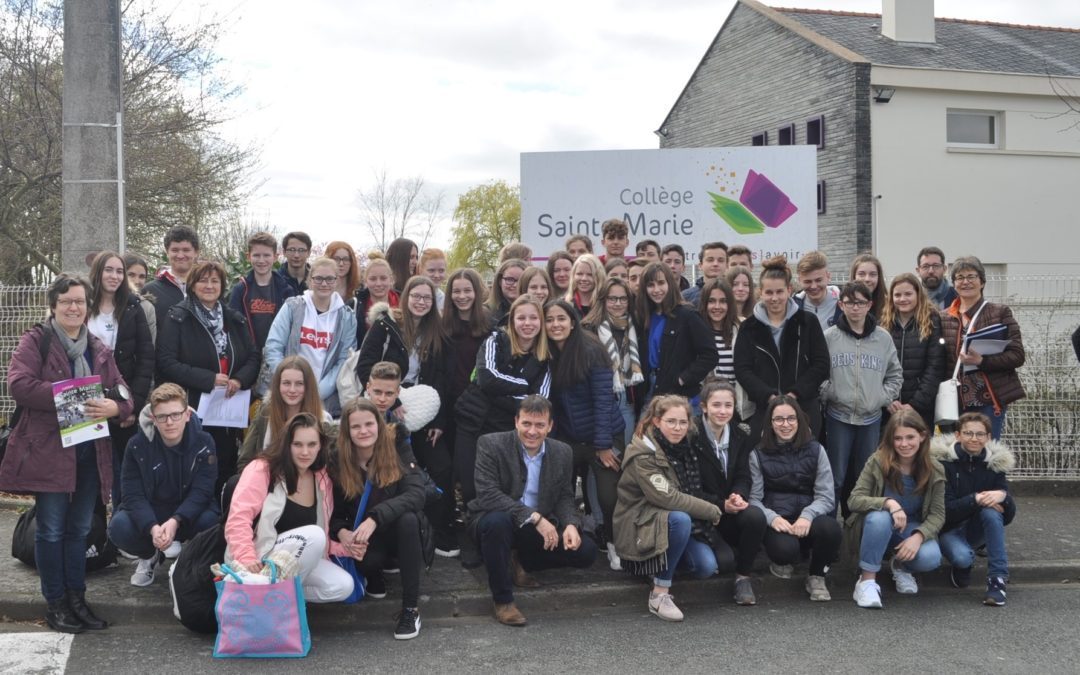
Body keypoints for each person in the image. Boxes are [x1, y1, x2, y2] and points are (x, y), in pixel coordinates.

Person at [0, 274, 133, 633]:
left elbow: (123, 394)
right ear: (54, 306)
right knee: (52, 530)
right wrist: (71, 396)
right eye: (66, 302)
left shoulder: (98, 348)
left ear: (88, 306)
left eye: (79, 301)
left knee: (79, 530)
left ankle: (77, 598)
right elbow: (20, 385)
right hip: (49, 451)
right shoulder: (36, 341)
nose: (73, 308)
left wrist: (114, 407)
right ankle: (55, 602)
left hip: (90, 451)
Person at [468, 396, 597, 626]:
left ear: (550, 426)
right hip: (496, 519)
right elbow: (488, 494)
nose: (532, 431)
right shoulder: (490, 444)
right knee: (497, 523)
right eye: (526, 423)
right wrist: (534, 517)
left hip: (537, 526)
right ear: (516, 421)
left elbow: (565, 496)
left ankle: (522, 561)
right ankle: (503, 601)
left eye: (539, 425)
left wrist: (570, 524)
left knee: (585, 551)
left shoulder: (562, 452)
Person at [355, 275, 456, 557]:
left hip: (424, 408)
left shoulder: (439, 333)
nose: (421, 302)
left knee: (441, 467)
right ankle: (392, 538)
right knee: (394, 469)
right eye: (416, 296)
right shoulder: (385, 325)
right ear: (406, 297)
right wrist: (394, 398)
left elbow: (444, 381)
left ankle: (439, 530)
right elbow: (365, 366)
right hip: (386, 406)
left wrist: (438, 421)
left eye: (427, 298)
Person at [224, 413, 354, 602]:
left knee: (342, 586)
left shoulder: (321, 478)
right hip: (259, 556)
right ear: (287, 445)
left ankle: (274, 597)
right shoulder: (262, 469)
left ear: (321, 446)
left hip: (293, 562)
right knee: (313, 535)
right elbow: (238, 518)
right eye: (297, 444)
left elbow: (320, 537)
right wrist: (246, 557)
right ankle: (266, 594)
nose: (305, 452)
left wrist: (344, 549)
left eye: (312, 445)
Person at [614, 395, 723, 622]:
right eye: (670, 421)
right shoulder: (643, 453)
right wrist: (712, 510)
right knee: (680, 519)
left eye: (683, 422)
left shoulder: (687, 447)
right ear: (656, 421)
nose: (677, 428)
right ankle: (659, 594)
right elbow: (668, 498)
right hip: (640, 524)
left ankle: (657, 567)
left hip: (664, 521)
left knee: (705, 566)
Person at [156, 260, 259, 492]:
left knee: (224, 467)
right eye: (203, 280)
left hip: (228, 411)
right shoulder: (178, 317)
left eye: (215, 281)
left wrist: (239, 380)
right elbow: (166, 362)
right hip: (194, 408)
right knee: (195, 472)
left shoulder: (234, 319)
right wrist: (208, 379)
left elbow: (253, 356)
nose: (209, 286)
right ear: (192, 284)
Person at [331, 397, 428, 638]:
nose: (363, 431)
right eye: (356, 426)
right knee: (367, 563)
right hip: (363, 538)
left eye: (369, 424)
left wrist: (375, 517)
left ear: (379, 424)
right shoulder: (337, 457)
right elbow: (333, 509)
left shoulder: (397, 445)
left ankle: (410, 609)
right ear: (347, 430)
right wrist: (342, 532)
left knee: (408, 519)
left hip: (397, 531)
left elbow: (417, 493)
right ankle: (374, 575)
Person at [108, 383, 219, 587]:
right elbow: (132, 494)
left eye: (175, 415)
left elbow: (203, 491)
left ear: (187, 415)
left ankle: (189, 558)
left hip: (186, 513)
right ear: (153, 419)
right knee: (119, 527)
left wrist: (176, 520)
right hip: (153, 513)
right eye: (162, 417)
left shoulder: (205, 442)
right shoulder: (136, 445)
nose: (169, 422)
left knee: (212, 521)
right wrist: (152, 527)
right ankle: (149, 554)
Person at [545, 299, 624, 568]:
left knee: (608, 495)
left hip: (603, 435)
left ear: (572, 322)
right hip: (567, 436)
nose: (555, 324)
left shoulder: (591, 350)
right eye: (550, 319)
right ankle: (569, 539)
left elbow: (603, 400)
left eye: (561, 319)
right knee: (560, 489)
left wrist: (603, 445)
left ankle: (615, 544)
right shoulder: (546, 353)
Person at [454, 295, 552, 510]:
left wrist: (496, 392)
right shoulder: (495, 340)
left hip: (505, 430)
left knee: (502, 489)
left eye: (533, 318)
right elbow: (487, 378)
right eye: (521, 318)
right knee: (471, 488)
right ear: (512, 320)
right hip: (473, 422)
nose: (527, 323)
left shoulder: (544, 359)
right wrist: (525, 386)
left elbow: (537, 404)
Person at [847, 410, 945, 608]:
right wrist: (888, 503)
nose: (904, 444)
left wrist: (919, 536)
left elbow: (938, 514)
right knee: (879, 518)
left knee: (931, 557)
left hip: (908, 529)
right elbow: (854, 500)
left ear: (923, 436)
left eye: (910, 437)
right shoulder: (877, 460)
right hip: (876, 527)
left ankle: (900, 566)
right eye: (898, 438)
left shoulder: (935, 469)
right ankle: (866, 581)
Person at [822, 282, 903, 514]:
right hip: (838, 417)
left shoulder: (883, 338)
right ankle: (829, 531)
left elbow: (895, 375)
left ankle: (857, 532)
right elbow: (819, 372)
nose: (854, 308)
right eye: (849, 302)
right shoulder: (830, 337)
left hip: (870, 420)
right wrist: (830, 392)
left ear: (869, 305)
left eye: (860, 302)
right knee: (835, 478)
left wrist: (881, 398)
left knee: (864, 479)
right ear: (841, 305)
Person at [748, 396, 840, 602]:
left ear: (800, 420)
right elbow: (754, 499)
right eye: (779, 419)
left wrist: (807, 515)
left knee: (831, 529)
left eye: (791, 418)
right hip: (779, 520)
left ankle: (817, 576)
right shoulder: (757, 454)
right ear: (770, 423)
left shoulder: (817, 450)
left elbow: (826, 496)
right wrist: (772, 519)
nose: (785, 424)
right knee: (785, 551)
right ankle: (787, 558)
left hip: (809, 519)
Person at [733, 256, 829, 441]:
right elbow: (743, 369)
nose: (774, 298)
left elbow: (821, 364)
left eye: (779, 291)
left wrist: (795, 393)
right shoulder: (749, 327)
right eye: (769, 292)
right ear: (760, 292)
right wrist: (769, 396)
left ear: (789, 290)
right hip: (765, 410)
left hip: (804, 409)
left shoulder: (807, 322)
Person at [87, 251, 155, 509]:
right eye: (108, 270)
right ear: (97, 272)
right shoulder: (82, 304)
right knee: (89, 472)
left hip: (122, 400)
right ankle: (93, 537)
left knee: (124, 474)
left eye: (119, 271)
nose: (114, 276)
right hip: (88, 399)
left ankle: (122, 533)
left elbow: (146, 359)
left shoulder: (133, 307)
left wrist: (133, 406)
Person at [691, 379, 765, 605]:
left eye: (728, 405)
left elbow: (744, 473)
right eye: (716, 405)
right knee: (723, 563)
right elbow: (690, 487)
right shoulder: (691, 435)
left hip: (730, 507)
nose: (723, 411)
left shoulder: (740, 433)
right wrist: (720, 504)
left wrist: (737, 495)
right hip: (703, 512)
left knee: (755, 517)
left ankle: (743, 578)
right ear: (704, 406)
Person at [934, 412, 1017, 606]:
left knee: (992, 512)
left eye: (980, 434)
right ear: (958, 435)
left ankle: (997, 579)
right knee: (962, 557)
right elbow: (945, 511)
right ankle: (963, 563)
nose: (974, 438)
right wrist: (976, 499)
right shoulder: (942, 463)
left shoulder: (995, 464)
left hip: (976, 528)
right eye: (968, 433)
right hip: (948, 528)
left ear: (988, 437)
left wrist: (1004, 498)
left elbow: (1008, 517)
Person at [940, 256, 1026, 440]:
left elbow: (1017, 355)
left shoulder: (999, 312)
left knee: (987, 454)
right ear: (953, 284)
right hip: (954, 400)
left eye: (971, 276)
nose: (966, 282)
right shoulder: (943, 317)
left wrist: (982, 361)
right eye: (960, 277)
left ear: (982, 282)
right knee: (956, 455)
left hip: (988, 399)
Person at [263, 256, 357, 417]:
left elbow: (344, 360)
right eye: (318, 278)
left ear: (337, 280)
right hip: (288, 393)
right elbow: (273, 347)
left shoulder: (347, 317)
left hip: (323, 398)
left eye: (329, 279)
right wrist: (289, 383)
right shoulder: (293, 307)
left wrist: (316, 392)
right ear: (310, 280)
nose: (324, 283)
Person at [636, 262, 717, 405]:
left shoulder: (688, 315)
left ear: (670, 284)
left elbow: (710, 354)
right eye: (650, 285)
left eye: (661, 283)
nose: (656, 289)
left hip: (681, 396)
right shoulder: (644, 316)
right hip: (650, 390)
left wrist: (683, 378)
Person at [238, 356, 335, 471]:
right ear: (278, 385)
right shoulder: (265, 413)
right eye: (286, 383)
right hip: (267, 480)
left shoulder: (323, 421)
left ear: (308, 386)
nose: (292, 390)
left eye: (299, 383)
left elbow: (328, 467)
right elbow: (245, 460)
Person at [879, 273, 946, 431]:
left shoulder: (932, 321)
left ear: (918, 294)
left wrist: (916, 404)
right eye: (897, 295)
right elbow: (877, 368)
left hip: (920, 408)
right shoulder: (882, 324)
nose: (903, 299)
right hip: (888, 408)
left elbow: (935, 367)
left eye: (908, 294)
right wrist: (887, 400)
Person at [583, 278, 643, 447]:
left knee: (624, 452)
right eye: (612, 299)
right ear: (603, 300)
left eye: (623, 299)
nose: (618, 303)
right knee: (602, 457)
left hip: (626, 398)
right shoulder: (589, 328)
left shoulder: (636, 325)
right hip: (597, 401)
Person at [228, 232, 297, 353]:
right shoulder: (240, 290)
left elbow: (292, 326)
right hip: (248, 354)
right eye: (256, 255)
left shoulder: (286, 290)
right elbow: (233, 326)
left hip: (278, 353)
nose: (261, 260)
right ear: (248, 257)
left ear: (275, 257)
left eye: (266, 255)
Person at [144, 225, 199, 336]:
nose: (180, 255)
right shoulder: (149, 290)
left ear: (196, 252)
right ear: (167, 252)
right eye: (175, 250)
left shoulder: (208, 289)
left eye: (186, 250)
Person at [355, 255, 400, 354]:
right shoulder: (355, 305)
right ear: (365, 280)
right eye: (373, 279)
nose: (378, 283)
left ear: (391, 279)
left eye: (383, 278)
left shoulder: (403, 303)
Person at [697, 278, 738, 384]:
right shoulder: (695, 333)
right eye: (711, 301)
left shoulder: (740, 331)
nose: (717, 307)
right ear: (704, 303)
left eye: (723, 301)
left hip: (736, 398)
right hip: (706, 397)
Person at [794, 250, 841, 331]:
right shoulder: (793, 307)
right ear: (799, 280)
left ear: (828, 277)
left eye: (818, 280)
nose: (814, 286)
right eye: (808, 281)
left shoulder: (843, 304)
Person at [123, 253, 158, 343]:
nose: (137, 281)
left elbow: (149, 344)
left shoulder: (147, 307)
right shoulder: (105, 301)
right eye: (131, 275)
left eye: (142, 276)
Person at [487, 258, 528, 326]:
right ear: (500, 281)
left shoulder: (536, 311)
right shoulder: (486, 313)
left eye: (520, 280)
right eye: (509, 279)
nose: (515, 285)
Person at [325, 241, 361, 311]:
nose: (341, 264)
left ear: (351, 262)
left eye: (346, 259)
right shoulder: (319, 288)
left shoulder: (359, 290)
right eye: (337, 259)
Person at [566, 253, 606, 318]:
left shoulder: (606, 304)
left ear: (599, 276)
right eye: (579, 274)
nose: (584, 279)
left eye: (590, 275)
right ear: (573, 275)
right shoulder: (564, 304)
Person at [850, 253, 886, 318]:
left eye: (872, 274)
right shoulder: (844, 304)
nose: (867, 279)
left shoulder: (889, 306)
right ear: (854, 276)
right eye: (861, 274)